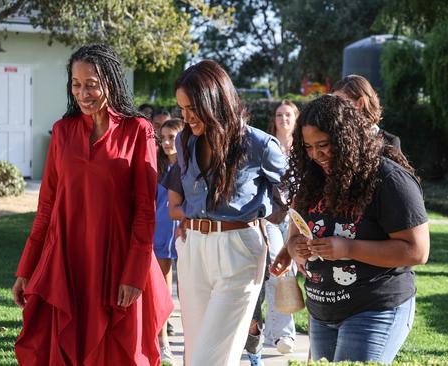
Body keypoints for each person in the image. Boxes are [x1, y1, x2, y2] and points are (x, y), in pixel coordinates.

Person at [12, 44, 173, 366]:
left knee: (119, 352)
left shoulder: (138, 131)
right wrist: (27, 268)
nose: (83, 93)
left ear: (110, 82)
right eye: (76, 84)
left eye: (91, 84)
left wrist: (134, 272)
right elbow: (46, 207)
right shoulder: (62, 131)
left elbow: (145, 209)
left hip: (117, 262)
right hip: (66, 262)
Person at [271, 94, 430, 363]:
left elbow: (417, 251)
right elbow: (298, 228)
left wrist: (348, 248)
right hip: (322, 312)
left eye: (323, 145)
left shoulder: (388, 179)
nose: (316, 154)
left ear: (347, 139)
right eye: (308, 147)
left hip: (374, 308)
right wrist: (292, 247)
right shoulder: (313, 177)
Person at [162, 60, 287, 365]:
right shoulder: (184, 139)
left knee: (211, 358)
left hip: (239, 250)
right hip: (193, 250)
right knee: (195, 355)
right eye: (182, 109)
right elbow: (188, 193)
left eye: (193, 108)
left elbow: (289, 198)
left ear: (215, 102)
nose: (186, 117)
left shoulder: (260, 145)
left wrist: (273, 218)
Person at [244, 101, 299, 365]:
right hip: (272, 218)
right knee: (279, 267)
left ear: (296, 119)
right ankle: (282, 335)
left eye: (288, 114)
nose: (283, 118)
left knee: (292, 272)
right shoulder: (267, 146)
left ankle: (282, 331)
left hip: (298, 217)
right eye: (279, 114)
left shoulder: (304, 149)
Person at [153, 118, 184, 364]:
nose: (165, 142)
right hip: (161, 235)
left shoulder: (191, 167)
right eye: (162, 137)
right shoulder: (157, 168)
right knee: (162, 291)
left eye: (171, 137)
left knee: (187, 291)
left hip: (186, 236)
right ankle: (163, 342)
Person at [331, 74, 401, 151]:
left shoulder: (389, 142)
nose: (335, 108)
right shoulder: (333, 137)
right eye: (333, 103)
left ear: (360, 103)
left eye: (341, 103)